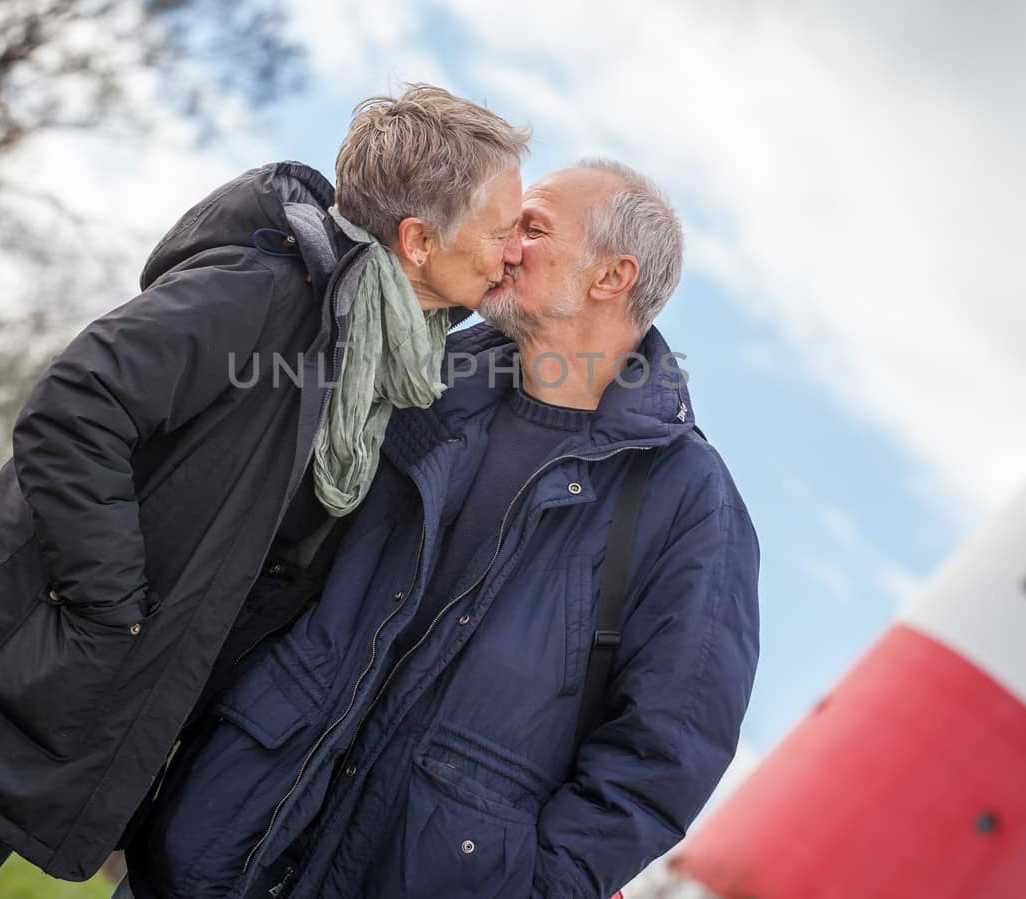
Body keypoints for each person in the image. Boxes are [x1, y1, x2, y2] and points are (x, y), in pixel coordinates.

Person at [0, 84, 531, 897]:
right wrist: (113, 608)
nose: (511, 252)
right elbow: (76, 406)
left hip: (59, 729)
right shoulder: (266, 293)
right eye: (500, 230)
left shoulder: (382, 375)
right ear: (419, 240)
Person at [121, 159, 761, 899]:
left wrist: (526, 887)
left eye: (534, 226)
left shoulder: (692, 503)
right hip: (208, 848)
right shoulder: (420, 378)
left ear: (610, 277)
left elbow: (662, 754)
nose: (502, 243)